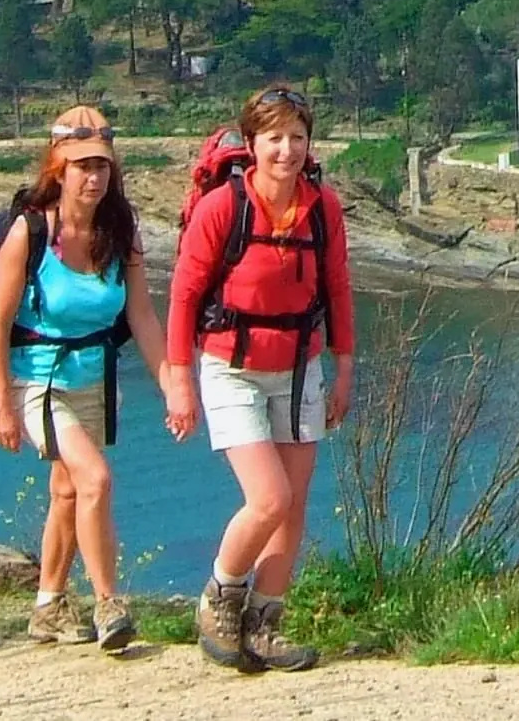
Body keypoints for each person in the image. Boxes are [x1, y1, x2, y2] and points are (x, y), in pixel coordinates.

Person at [0, 106, 193, 653]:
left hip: (93, 376)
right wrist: (0, 403)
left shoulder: (121, 232)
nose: (93, 176)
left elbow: (143, 317)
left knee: (67, 490)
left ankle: (47, 605)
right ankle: (109, 603)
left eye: (101, 165)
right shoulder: (29, 232)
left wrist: (171, 384)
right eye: (82, 165)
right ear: (59, 168)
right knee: (95, 479)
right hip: (39, 381)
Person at [169, 86, 356, 672]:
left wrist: (345, 367)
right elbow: (184, 296)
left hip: (301, 366)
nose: (287, 150)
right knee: (269, 497)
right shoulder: (222, 208)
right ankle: (221, 595)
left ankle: (265, 620)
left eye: (297, 137)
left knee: (293, 504)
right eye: (274, 138)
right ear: (251, 144)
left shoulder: (321, 208)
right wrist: (178, 381)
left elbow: (339, 289)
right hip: (232, 368)